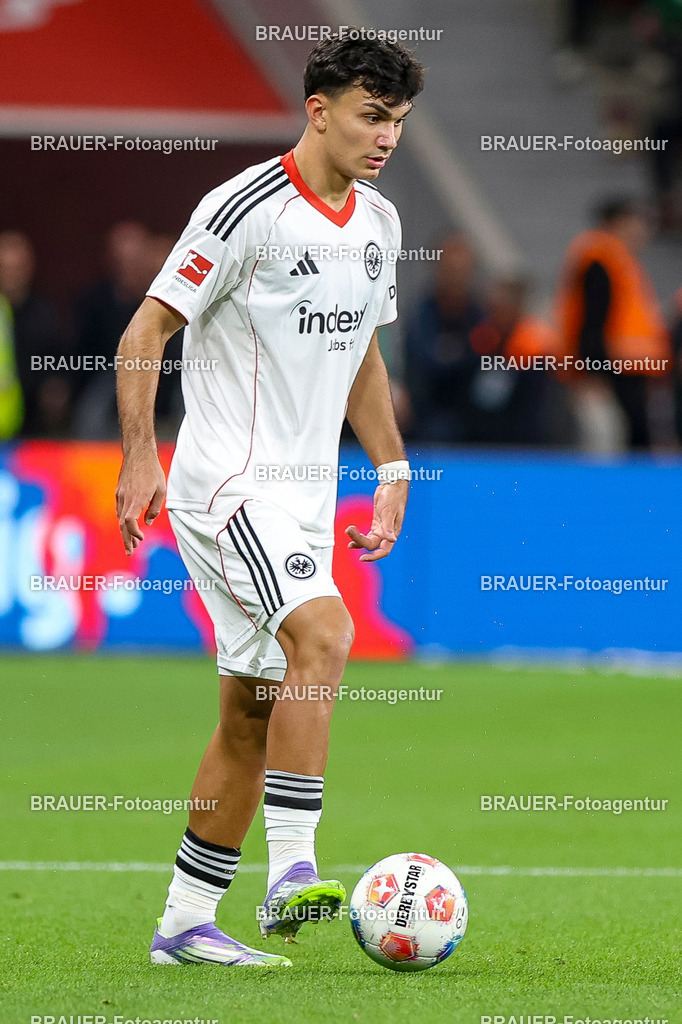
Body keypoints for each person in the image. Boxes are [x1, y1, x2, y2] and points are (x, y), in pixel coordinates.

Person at [115, 36, 424, 967]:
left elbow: (363, 352)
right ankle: (293, 869)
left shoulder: (377, 222)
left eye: (399, 122)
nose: (386, 139)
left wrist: (393, 468)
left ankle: (183, 923)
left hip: (301, 498)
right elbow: (146, 328)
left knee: (250, 711)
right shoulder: (243, 208)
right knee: (325, 636)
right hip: (225, 483)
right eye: (372, 116)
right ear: (318, 107)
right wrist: (140, 455)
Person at [554, 198, 672, 449]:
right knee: (621, 444)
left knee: (635, 441)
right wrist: (593, 372)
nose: (642, 228)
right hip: (614, 369)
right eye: (636, 220)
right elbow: (592, 320)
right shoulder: (601, 260)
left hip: (627, 368)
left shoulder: (619, 260)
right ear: (618, 222)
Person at [403, 233, 485, 442]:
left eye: (462, 270)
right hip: (429, 414)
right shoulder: (422, 315)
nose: (456, 277)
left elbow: (486, 362)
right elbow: (423, 364)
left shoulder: (481, 316)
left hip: (475, 414)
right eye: (450, 269)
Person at [0, 230, 65, 436]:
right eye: (6, 268)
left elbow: (57, 358)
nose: (12, 275)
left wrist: (55, 384)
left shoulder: (42, 313)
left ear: (29, 268)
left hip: (34, 424)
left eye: (17, 268)